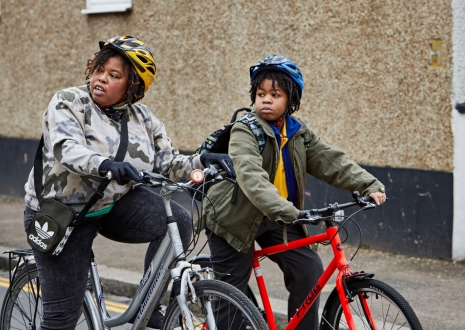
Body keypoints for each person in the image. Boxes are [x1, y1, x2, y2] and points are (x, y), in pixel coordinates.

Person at [23, 35, 235, 330]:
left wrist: (202, 161)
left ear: (132, 86)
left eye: (114, 75)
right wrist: (106, 164)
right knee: (60, 319)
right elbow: (66, 148)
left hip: (112, 206)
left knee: (180, 221)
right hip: (62, 214)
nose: (100, 79)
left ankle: (149, 304)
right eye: (99, 70)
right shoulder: (69, 101)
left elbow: (167, 163)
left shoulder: (143, 118)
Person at [202, 55, 387, 329]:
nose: (266, 99)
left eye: (275, 94)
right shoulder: (245, 131)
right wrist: (288, 211)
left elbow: (332, 161)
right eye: (261, 93)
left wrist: (368, 184)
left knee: (308, 271)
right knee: (232, 293)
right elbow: (251, 176)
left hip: (276, 216)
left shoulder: (299, 133)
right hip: (233, 218)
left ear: (291, 100)